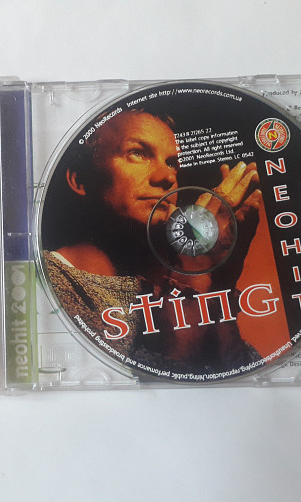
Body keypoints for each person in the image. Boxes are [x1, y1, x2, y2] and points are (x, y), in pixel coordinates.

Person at [42, 109, 263, 374]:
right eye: (138, 153)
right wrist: (191, 278)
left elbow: (236, 376)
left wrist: (219, 286)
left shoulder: (164, 284)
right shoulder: (44, 283)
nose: (168, 177)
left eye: (172, 163)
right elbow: (156, 382)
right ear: (80, 179)